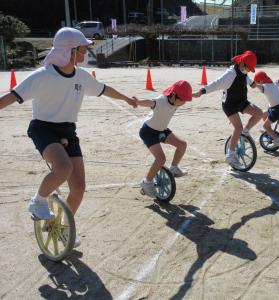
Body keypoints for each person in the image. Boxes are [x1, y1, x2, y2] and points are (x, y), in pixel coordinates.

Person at [0, 27, 137, 247]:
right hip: (43, 128)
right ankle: (38, 202)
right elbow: (10, 97)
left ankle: (62, 225)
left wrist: (127, 98)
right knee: (63, 168)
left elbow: (104, 89)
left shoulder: (82, 77)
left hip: (67, 131)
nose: (85, 53)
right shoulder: (42, 76)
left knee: (79, 187)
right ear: (70, 51)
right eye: (82, 49)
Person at [192, 50, 263, 168]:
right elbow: (216, 83)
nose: (249, 71)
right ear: (242, 63)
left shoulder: (243, 71)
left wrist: (253, 84)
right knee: (238, 127)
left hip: (241, 101)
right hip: (229, 105)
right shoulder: (230, 74)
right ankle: (230, 154)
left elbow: (247, 78)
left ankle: (245, 132)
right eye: (249, 68)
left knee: (259, 113)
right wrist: (201, 91)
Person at [136, 80, 192, 198]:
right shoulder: (161, 101)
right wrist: (137, 102)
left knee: (182, 145)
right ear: (173, 94)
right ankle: (146, 183)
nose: (183, 103)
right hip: (148, 132)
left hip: (161, 129)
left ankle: (174, 168)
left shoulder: (176, 102)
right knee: (161, 159)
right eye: (182, 99)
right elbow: (150, 103)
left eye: (185, 100)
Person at [253, 71, 279, 149]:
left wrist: (249, 81)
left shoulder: (264, 87)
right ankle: (269, 131)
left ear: (261, 81)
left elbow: (255, 85)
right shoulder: (274, 83)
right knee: (263, 113)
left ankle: (277, 141)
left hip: (277, 110)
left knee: (265, 126)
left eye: (258, 81)